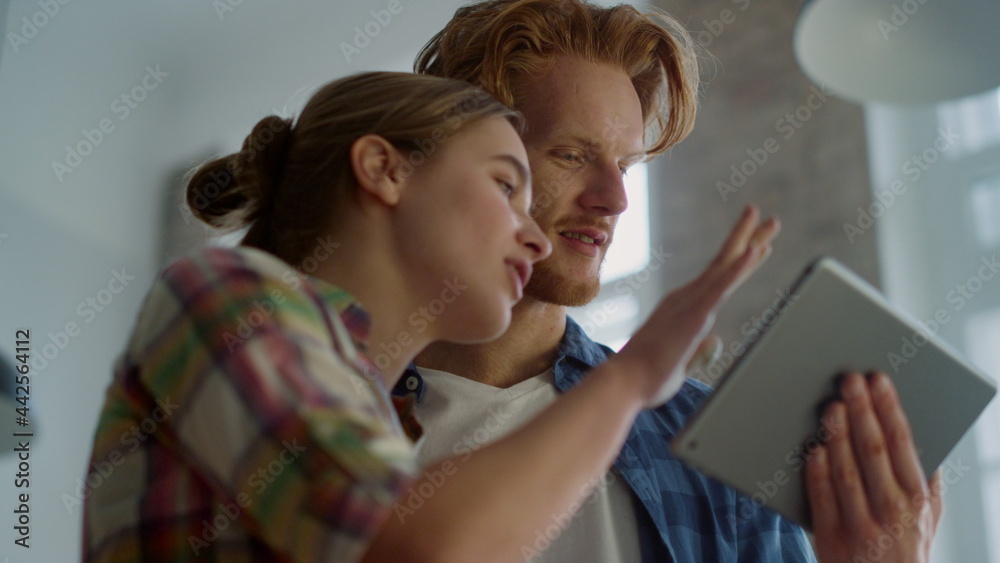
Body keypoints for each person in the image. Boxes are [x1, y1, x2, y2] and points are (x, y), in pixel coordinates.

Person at [81, 70, 777, 562]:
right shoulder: (227, 297)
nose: (534, 237)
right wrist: (632, 380)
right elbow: (411, 548)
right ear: (384, 168)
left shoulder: (373, 421)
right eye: (507, 183)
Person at [395, 1, 943, 561]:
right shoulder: (327, 412)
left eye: (626, 166)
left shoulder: (710, 446)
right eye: (570, 154)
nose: (614, 199)